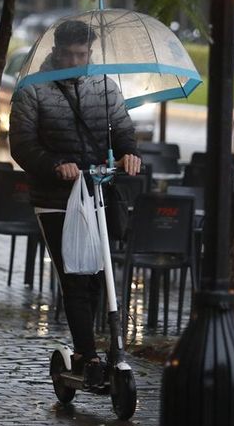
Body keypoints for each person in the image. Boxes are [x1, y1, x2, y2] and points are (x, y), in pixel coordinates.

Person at [9, 20, 142, 387]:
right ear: (55, 50)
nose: (74, 59)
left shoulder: (104, 85)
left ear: (90, 53)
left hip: (98, 190)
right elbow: (21, 143)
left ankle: (92, 349)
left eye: (81, 54)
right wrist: (55, 165)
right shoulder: (32, 89)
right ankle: (86, 351)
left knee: (100, 273)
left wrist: (129, 153)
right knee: (74, 274)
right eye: (67, 53)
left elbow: (123, 128)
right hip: (55, 196)